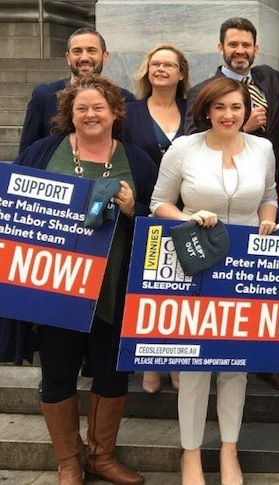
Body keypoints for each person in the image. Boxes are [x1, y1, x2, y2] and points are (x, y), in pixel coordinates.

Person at [3, 75, 157, 485]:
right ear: (69, 114)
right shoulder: (41, 152)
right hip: (56, 290)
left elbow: (158, 221)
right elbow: (13, 208)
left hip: (114, 288)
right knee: (57, 373)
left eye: (99, 108)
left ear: (114, 113)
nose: (91, 115)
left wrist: (133, 208)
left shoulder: (138, 160)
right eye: (82, 109)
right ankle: (69, 460)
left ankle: (101, 456)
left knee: (111, 374)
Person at [151, 77, 279, 485]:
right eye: (220, 107)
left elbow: (269, 195)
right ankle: (190, 453)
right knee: (193, 364)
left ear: (247, 111)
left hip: (245, 265)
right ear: (206, 110)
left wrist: (268, 219)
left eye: (236, 108)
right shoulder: (184, 148)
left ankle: (229, 451)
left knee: (235, 365)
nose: (228, 115)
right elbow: (158, 203)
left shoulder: (263, 148)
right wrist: (187, 218)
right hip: (196, 261)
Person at [184, 17, 279, 392]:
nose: (240, 51)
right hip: (215, 203)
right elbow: (189, 139)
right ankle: (213, 355)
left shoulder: (269, 78)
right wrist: (240, 130)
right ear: (221, 48)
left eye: (246, 44)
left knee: (263, 288)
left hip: (265, 196)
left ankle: (264, 361)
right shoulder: (203, 89)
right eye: (233, 44)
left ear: (256, 48)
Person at [121, 43, 191, 395]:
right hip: (141, 209)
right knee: (147, 287)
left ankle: (176, 360)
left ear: (181, 72)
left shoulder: (193, 110)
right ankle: (149, 362)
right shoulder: (129, 112)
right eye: (155, 63)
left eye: (169, 64)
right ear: (147, 70)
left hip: (187, 211)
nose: (161, 68)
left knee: (181, 288)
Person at [19, 27, 135, 154]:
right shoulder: (44, 95)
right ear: (68, 57)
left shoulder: (124, 98)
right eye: (77, 51)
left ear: (105, 56)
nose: (84, 57)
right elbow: (27, 151)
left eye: (91, 50)